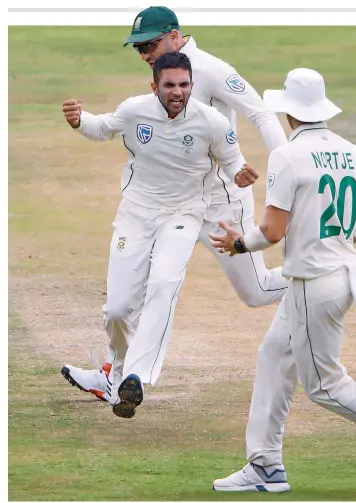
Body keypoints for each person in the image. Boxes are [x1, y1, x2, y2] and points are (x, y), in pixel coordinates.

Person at [209, 68, 356, 492]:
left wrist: (240, 244)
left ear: (287, 112)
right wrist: (339, 236)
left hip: (311, 284)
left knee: (324, 385)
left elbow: (273, 231)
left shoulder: (287, 155)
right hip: (340, 276)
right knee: (273, 358)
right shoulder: (350, 151)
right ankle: (264, 465)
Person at [61, 5, 289, 401]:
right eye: (139, 49)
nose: (144, 54)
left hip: (221, 204)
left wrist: (291, 169)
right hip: (171, 204)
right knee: (140, 293)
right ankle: (119, 375)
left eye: (149, 44)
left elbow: (262, 115)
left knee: (256, 292)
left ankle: (331, 268)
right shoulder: (154, 89)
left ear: (173, 34)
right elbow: (117, 125)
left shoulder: (213, 70)